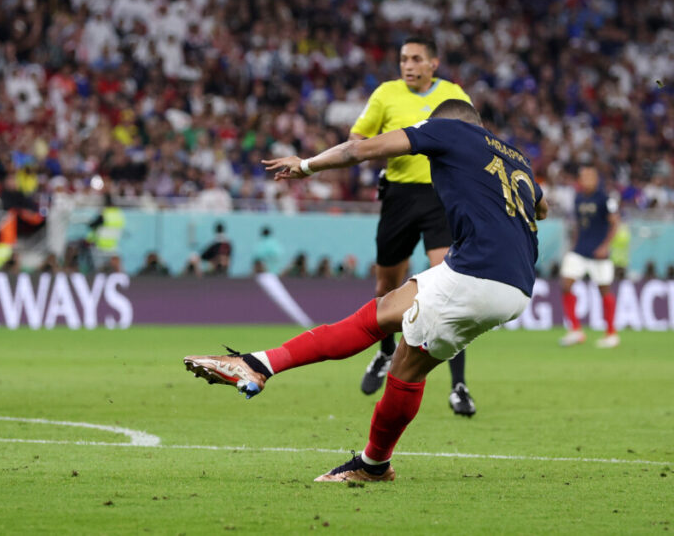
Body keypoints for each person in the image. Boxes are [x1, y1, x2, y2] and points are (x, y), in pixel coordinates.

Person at [184, 100, 547, 482]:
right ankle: (260, 364)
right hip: (515, 282)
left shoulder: (447, 130)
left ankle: (373, 465)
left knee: (407, 365)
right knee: (381, 312)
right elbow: (542, 208)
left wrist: (306, 166)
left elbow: (359, 149)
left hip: (477, 273)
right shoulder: (514, 155)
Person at [349, 36, 476, 416]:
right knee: (387, 285)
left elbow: (473, 142)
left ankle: (459, 386)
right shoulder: (386, 94)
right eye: (404, 58)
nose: (408, 65)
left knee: (450, 284)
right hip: (399, 198)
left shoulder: (454, 96)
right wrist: (377, 149)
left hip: (440, 198)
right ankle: (386, 352)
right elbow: (358, 138)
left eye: (416, 59)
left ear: (433, 63)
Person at [558, 165, 621, 348]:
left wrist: (605, 246)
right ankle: (576, 330)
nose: (585, 179)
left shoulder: (605, 199)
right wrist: (573, 245)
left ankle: (611, 333)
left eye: (589, 176)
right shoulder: (578, 199)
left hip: (599, 254)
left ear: (596, 179)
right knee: (565, 285)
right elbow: (579, 225)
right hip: (580, 250)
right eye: (583, 176)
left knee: (604, 291)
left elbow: (615, 224)